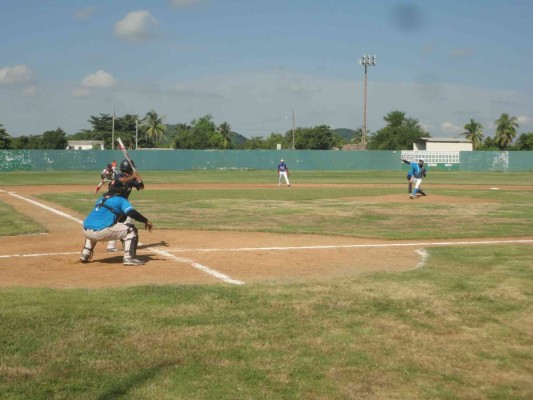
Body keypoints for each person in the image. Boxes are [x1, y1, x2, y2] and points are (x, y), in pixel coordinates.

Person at [79, 184, 153, 266]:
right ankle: (129, 258)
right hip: (100, 233)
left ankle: (85, 254)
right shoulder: (120, 199)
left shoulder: (101, 199)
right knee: (131, 230)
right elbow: (131, 213)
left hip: (86, 231)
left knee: (95, 225)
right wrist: (146, 221)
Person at [105, 159, 145, 252]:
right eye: (132, 167)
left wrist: (139, 179)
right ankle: (112, 244)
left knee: (125, 221)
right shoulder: (120, 175)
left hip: (122, 204)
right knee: (117, 222)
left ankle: (124, 241)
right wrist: (132, 177)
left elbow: (142, 187)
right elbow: (121, 180)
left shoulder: (131, 179)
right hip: (113, 203)